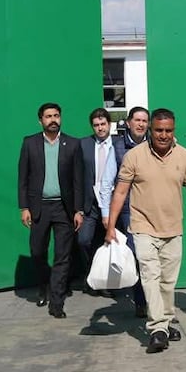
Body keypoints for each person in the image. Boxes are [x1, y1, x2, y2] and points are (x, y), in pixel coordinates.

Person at [105, 108, 186, 353]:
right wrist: (110, 226)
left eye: (168, 130)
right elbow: (120, 192)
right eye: (159, 130)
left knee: (167, 282)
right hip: (142, 227)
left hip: (173, 228)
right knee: (150, 277)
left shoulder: (185, 156)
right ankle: (157, 329)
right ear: (150, 129)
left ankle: (167, 320)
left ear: (174, 130)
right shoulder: (134, 156)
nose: (163, 135)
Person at [18, 102, 85, 319]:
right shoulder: (30, 143)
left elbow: (78, 180)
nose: (53, 119)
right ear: (41, 121)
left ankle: (56, 302)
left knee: (62, 256)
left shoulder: (73, 144)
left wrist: (78, 210)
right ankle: (44, 285)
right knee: (37, 251)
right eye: (48, 116)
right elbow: (23, 178)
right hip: (39, 207)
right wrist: (24, 207)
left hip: (64, 208)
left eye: (56, 115)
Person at [112, 106, 151, 318]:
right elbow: (109, 180)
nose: (141, 124)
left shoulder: (155, 144)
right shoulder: (116, 146)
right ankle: (141, 301)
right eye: (137, 120)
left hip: (153, 207)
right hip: (129, 208)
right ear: (128, 123)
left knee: (156, 257)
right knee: (138, 255)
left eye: (144, 121)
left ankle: (157, 300)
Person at [78, 108, 118, 273]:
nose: (100, 128)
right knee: (83, 240)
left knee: (114, 240)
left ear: (109, 124)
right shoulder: (83, 144)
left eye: (103, 124)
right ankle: (91, 274)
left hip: (115, 200)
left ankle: (113, 279)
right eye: (96, 125)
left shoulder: (119, 143)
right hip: (91, 201)